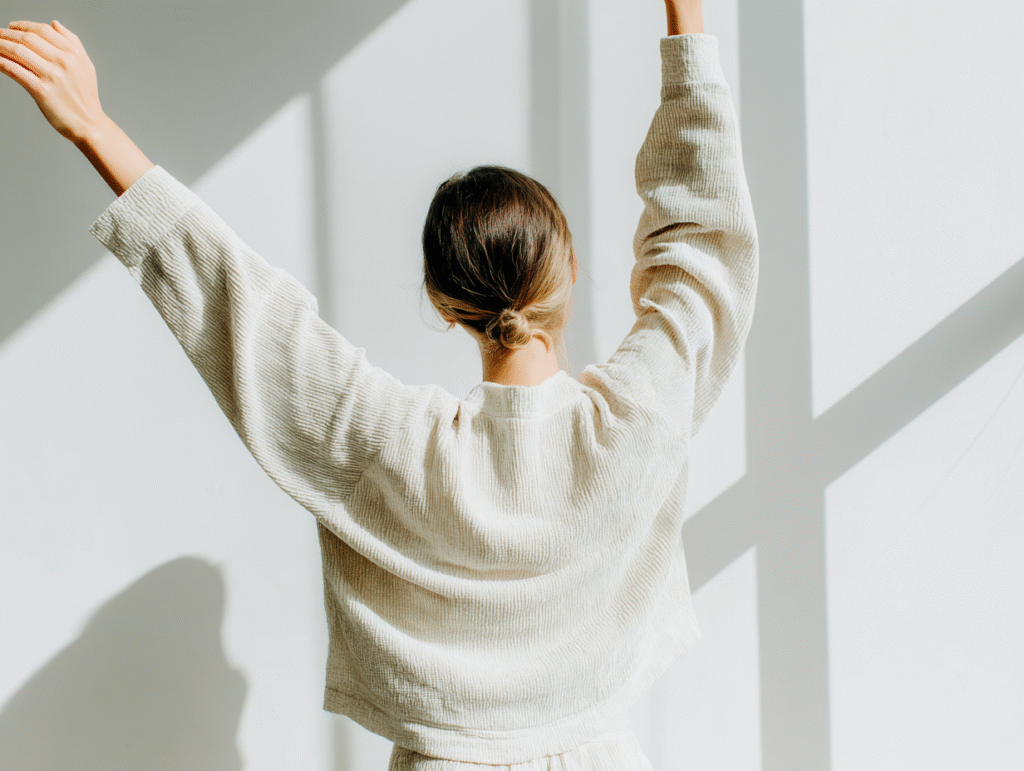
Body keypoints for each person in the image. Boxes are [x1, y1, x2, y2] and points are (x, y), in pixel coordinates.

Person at [0, 1, 758, 768]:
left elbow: (250, 317)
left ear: (441, 302)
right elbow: (703, 248)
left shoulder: (391, 449)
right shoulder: (639, 416)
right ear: (566, 270)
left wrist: (94, 126)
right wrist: (685, 15)